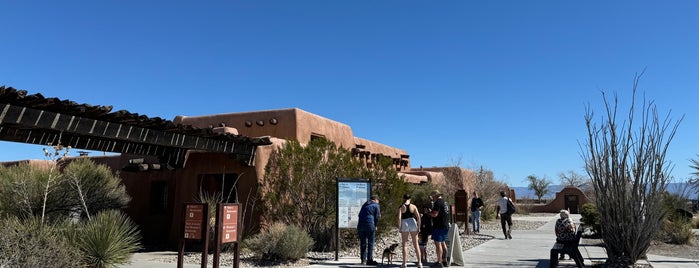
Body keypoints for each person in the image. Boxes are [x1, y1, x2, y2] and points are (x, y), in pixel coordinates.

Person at [398, 194, 422, 268]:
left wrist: (399, 227)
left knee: (405, 244)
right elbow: (418, 217)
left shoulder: (401, 207)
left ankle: (404, 263)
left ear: (403, 198)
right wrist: (419, 227)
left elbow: (399, 218)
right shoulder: (413, 206)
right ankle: (419, 263)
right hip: (412, 222)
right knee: (416, 244)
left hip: (404, 222)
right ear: (410, 198)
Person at [429, 190, 450, 268]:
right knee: (443, 243)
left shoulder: (437, 203)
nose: (432, 198)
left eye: (433, 197)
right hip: (445, 225)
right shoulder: (445, 202)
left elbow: (435, 214)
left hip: (439, 226)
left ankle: (439, 262)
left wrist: (429, 213)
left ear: (435, 196)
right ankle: (445, 261)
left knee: (438, 244)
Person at [358, 195, 381, 265]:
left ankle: (363, 260)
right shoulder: (376, 205)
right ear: (376, 200)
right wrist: (375, 225)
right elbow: (377, 217)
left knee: (363, 243)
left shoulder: (364, 205)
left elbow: (359, 215)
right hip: (370, 224)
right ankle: (369, 260)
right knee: (370, 243)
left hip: (361, 225)